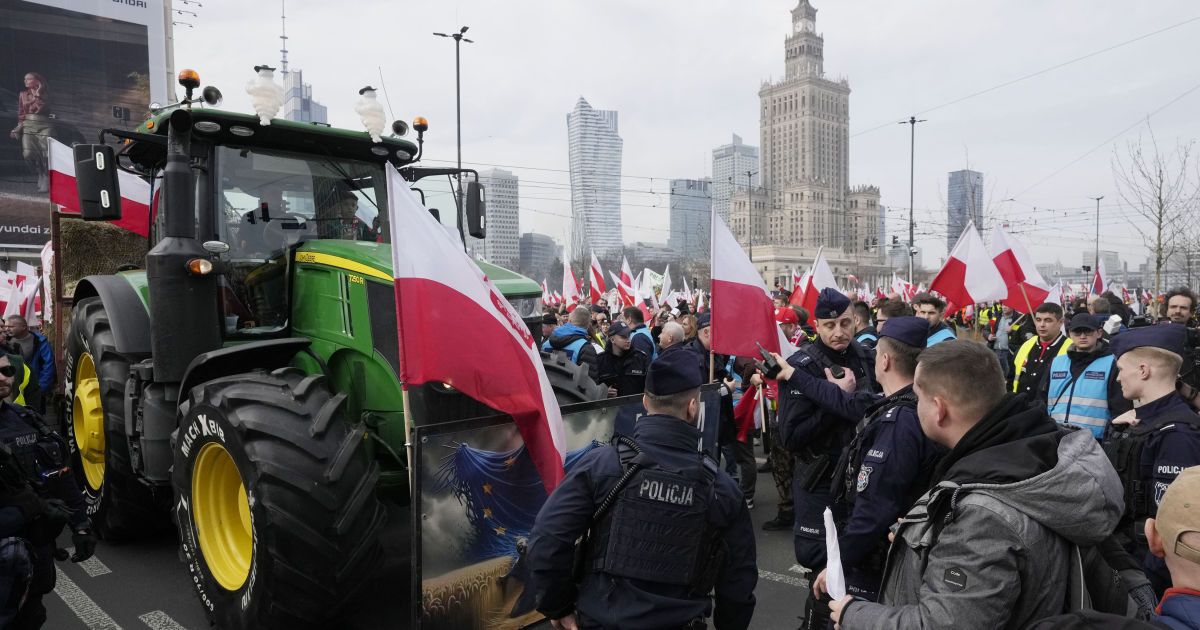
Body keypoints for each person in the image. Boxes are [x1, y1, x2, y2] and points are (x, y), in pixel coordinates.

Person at [830, 340, 1125, 630]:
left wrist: (853, 615)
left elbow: (944, 624)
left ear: (938, 409)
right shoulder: (1036, 450)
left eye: (919, 398)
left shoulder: (981, 514)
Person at [527, 349, 757, 630]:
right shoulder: (721, 487)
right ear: (692, 407)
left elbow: (547, 539)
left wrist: (558, 606)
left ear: (646, 402)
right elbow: (738, 580)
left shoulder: (601, 464)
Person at [789, 317, 945, 605]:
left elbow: (874, 510)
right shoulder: (910, 402)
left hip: (880, 561)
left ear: (884, 361)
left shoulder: (898, 422)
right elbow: (847, 402)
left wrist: (838, 563)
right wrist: (791, 373)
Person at [775, 288, 876, 628]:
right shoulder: (801, 365)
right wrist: (835, 402)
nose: (839, 332)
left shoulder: (866, 357)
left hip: (861, 477)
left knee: (860, 560)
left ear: (855, 321)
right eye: (830, 325)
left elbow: (872, 407)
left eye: (845, 323)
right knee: (821, 563)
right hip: (819, 478)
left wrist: (841, 402)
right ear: (817, 325)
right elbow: (790, 436)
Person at [0, 354, 97, 629]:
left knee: (31, 617)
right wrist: (29, 508)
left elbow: (61, 474)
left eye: (6, 370)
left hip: (34, 550)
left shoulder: (27, 419)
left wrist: (81, 526)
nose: (2, 377)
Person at [1105, 324, 1200, 596]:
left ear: (1143, 370)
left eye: (1121, 369)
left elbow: (1174, 528)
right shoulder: (1140, 422)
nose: (1118, 378)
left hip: (1149, 573)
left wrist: (1145, 585)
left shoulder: (1177, 433)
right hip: (1130, 558)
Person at [1039, 313, 1131, 439]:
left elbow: (1121, 407)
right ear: (1070, 334)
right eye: (1077, 332)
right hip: (1056, 436)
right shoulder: (1057, 362)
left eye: (1088, 332)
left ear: (1099, 333)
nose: (1082, 336)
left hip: (1095, 440)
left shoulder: (1112, 363)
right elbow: (1042, 399)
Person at [1013, 303, 1071, 396]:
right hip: (1020, 403)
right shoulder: (1027, 344)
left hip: (1050, 404)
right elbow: (1012, 375)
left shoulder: (1071, 348)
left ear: (1060, 322)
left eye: (1048, 320)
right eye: (1038, 320)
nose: (1042, 325)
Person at [9, 73, 52, 193]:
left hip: (45, 125)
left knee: (45, 153)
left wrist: (38, 92)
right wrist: (18, 127)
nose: (25, 81)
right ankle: (40, 173)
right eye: (25, 79)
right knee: (28, 154)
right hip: (28, 125)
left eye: (29, 79)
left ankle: (46, 177)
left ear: (37, 80)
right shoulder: (22, 94)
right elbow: (21, 113)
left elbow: (44, 108)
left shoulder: (46, 94)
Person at [3, 318, 52, 415]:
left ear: (24, 327)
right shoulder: (5, 342)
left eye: (11, 326)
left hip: (35, 388)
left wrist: (41, 387)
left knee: (36, 415)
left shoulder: (39, 341)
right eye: (6, 326)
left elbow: (48, 365)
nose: (7, 329)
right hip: (13, 391)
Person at [542, 307, 600, 380]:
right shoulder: (585, 347)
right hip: (570, 386)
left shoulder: (546, 344)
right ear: (588, 325)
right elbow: (589, 381)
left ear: (569, 321)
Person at [596, 322, 649, 398]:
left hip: (636, 404)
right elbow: (592, 388)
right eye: (623, 337)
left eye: (629, 336)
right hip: (611, 405)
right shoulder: (600, 361)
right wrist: (603, 392)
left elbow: (650, 387)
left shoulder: (641, 358)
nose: (628, 340)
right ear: (612, 339)